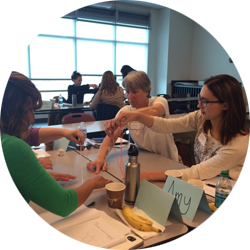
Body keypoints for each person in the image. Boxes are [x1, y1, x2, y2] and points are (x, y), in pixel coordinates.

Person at [0, 72, 112, 217]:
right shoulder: (13, 148)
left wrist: (65, 132)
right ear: (17, 110)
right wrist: (92, 183)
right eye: (30, 110)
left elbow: (30, 134)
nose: (32, 117)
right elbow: (64, 203)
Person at [114, 74, 249, 181]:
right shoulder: (201, 118)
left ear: (225, 105)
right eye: (199, 98)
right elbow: (168, 125)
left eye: (205, 101)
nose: (199, 105)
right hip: (205, 184)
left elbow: (197, 172)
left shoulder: (238, 145)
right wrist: (137, 116)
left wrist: (149, 176)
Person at [87, 71, 179, 174]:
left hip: (169, 162)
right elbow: (111, 137)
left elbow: (155, 111)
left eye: (135, 92)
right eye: (127, 92)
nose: (130, 96)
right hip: (146, 162)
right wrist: (100, 157)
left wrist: (132, 115)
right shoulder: (126, 111)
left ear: (146, 91)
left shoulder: (159, 101)